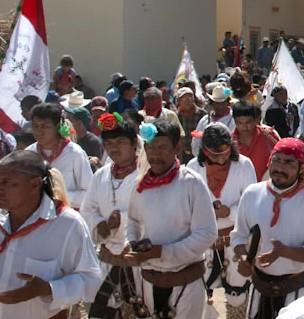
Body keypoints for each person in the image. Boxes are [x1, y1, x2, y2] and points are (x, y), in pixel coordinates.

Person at [125, 120, 218, 318]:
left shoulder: (191, 183)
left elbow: (207, 233)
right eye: (150, 147)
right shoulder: (140, 184)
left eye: (162, 147)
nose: (155, 154)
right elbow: (132, 221)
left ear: (177, 147)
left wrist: (164, 252)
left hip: (185, 283)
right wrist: (133, 244)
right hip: (148, 281)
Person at [0, 150, 101, 318]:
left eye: (8, 183)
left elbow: (91, 280)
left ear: (35, 185)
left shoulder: (67, 224)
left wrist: (47, 289)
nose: (0, 189)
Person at [231, 138, 304, 319]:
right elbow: (239, 236)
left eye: (289, 162)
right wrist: (244, 258)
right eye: (277, 160)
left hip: (298, 293)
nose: (280, 168)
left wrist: (283, 251)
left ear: (301, 167)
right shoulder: (252, 193)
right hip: (259, 290)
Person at [187, 123, 257, 317]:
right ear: (204, 151)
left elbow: (252, 202)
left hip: (235, 240)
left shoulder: (243, 165)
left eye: (225, 153)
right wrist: (209, 211)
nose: (221, 158)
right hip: (203, 241)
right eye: (215, 154)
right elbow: (186, 203)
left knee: (238, 294)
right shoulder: (193, 167)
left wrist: (229, 212)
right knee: (198, 293)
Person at [80, 113, 139, 318]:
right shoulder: (101, 175)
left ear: (134, 144)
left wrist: (120, 221)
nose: (114, 148)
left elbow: (156, 213)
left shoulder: (146, 175)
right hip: (107, 259)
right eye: (108, 143)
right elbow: (87, 211)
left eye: (121, 141)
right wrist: (101, 225)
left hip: (138, 262)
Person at [26, 103, 93, 210]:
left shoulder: (74, 153)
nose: (39, 131)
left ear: (57, 126)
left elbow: (90, 193)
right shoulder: (29, 153)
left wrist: (58, 196)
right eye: (35, 126)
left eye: (45, 126)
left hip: (66, 218)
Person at [232, 102, 280, 181]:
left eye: (248, 122)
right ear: (235, 122)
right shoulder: (229, 143)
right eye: (240, 123)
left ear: (255, 120)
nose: (244, 127)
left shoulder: (269, 136)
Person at [176, 87, 207, 164]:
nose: (188, 100)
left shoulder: (202, 114)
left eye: (190, 97)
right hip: (183, 155)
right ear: (179, 101)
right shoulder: (176, 116)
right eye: (184, 98)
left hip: (199, 154)